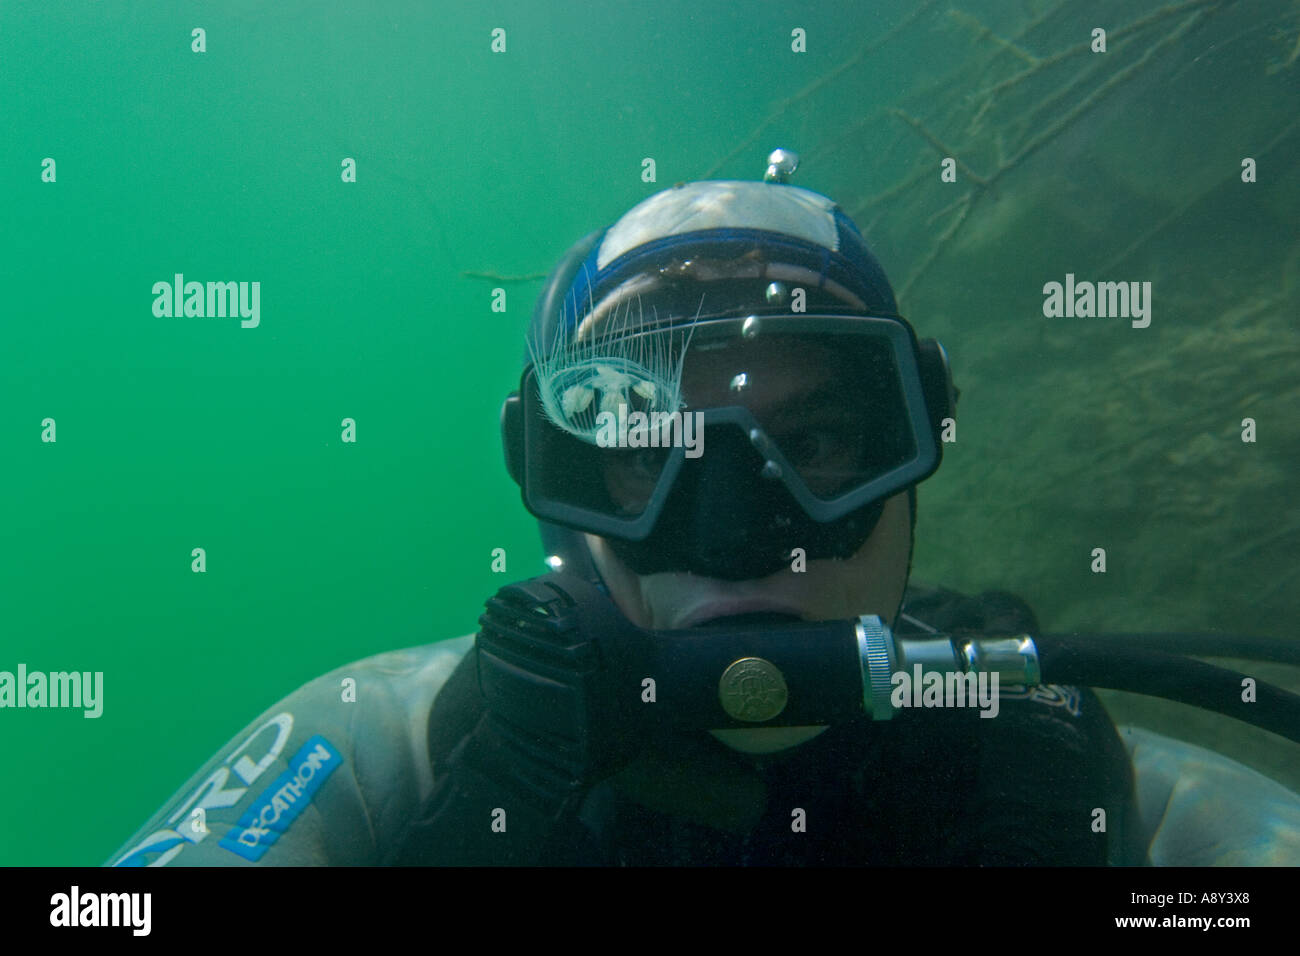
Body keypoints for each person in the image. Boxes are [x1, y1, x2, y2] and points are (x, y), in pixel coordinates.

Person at [106, 151, 1300, 867]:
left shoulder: (1063, 778)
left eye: (820, 440)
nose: (736, 529)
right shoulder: (399, 744)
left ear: (915, 441)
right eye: (641, 446)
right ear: (556, 485)